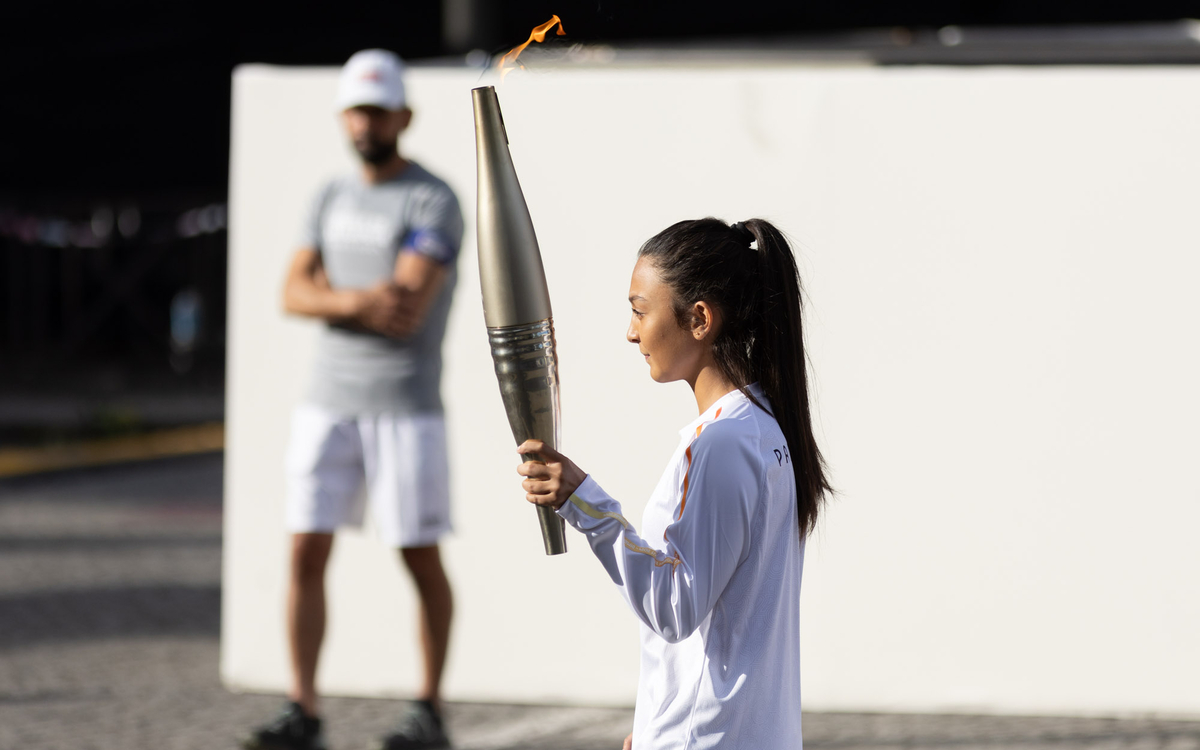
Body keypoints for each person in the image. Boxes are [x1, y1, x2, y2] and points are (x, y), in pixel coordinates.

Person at [516, 218, 831, 750]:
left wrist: (583, 501)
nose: (631, 331)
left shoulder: (723, 443)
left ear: (700, 318)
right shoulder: (764, 430)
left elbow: (675, 605)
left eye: (640, 309)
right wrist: (656, 725)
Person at [244, 50, 461, 750]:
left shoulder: (433, 198)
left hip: (403, 404)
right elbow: (288, 292)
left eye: (379, 108)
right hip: (326, 401)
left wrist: (329, 298)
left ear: (403, 115)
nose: (367, 121)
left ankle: (428, 705)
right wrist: (357, 299)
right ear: (344, 116)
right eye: (357, 109)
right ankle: (302, 707)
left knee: (418, 555)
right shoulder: (329, 195)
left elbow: (406, 305)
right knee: (305, 551)